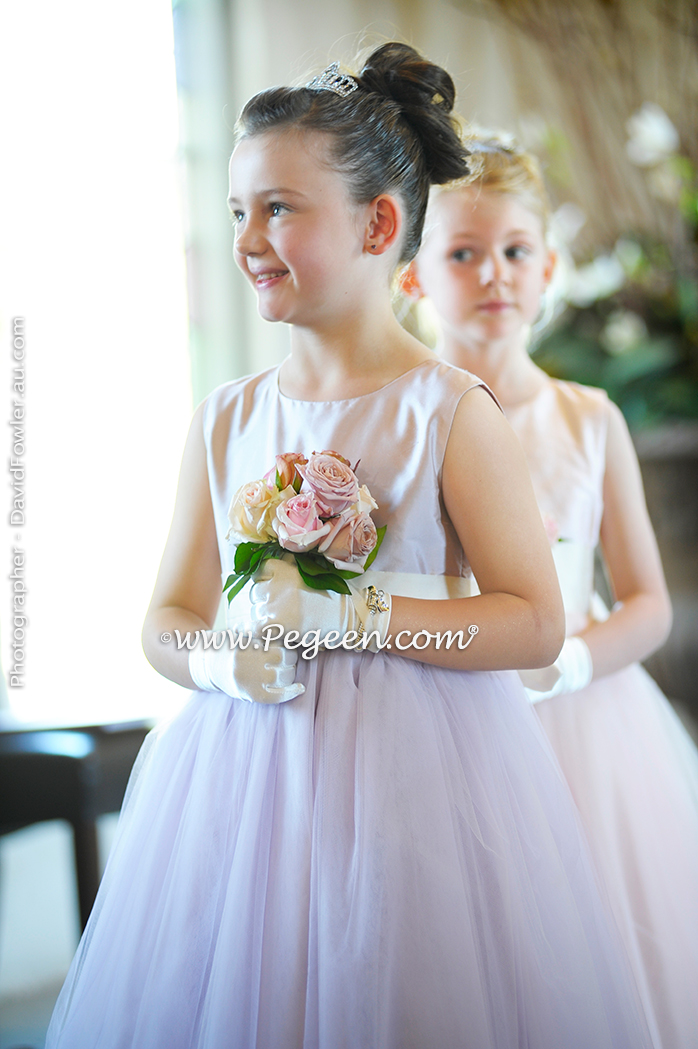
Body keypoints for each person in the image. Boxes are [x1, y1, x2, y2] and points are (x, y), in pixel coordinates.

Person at [47, 48, 654, 1049]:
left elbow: (536, 623)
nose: (248, 237)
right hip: (246, 787)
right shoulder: (225, 417)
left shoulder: (447, 410)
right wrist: (222, 663)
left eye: (279, 208)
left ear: (378, 225)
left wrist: (356, 613)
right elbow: (164, 621)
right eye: (239, 208)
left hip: (419, 780)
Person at [408, 134, 698, 1049]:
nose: (493, 272)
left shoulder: (589, 419)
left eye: (514, 250)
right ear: (412, 273)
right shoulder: (402, 415)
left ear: (551, 267)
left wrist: (570, 661)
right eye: (462, 252)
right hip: (437, 710)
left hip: (577, 720)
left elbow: (648, 601)